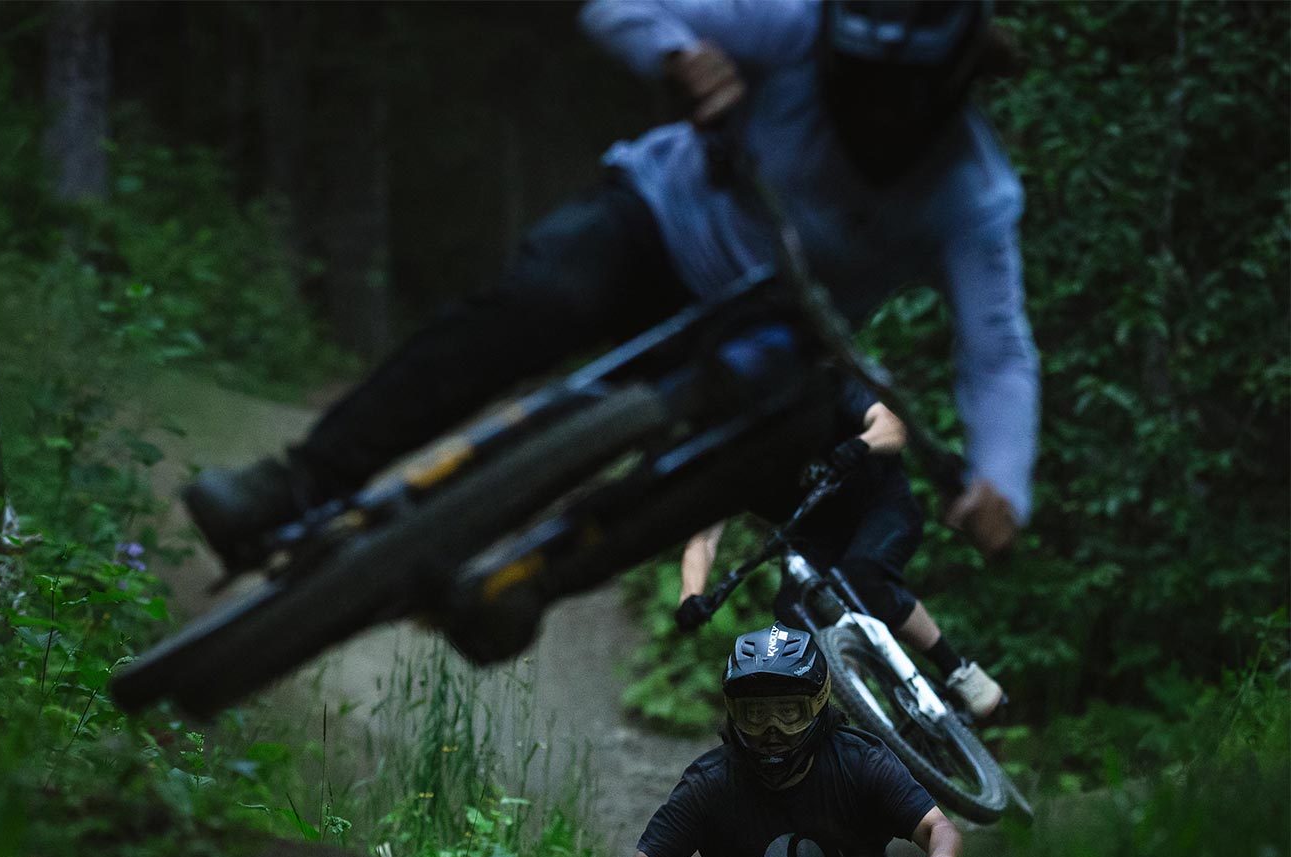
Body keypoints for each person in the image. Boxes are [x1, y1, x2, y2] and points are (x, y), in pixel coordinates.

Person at [184, 0, 1038, 578]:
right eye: (858, 86)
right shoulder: (792, 22)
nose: (877, 115)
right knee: (535, 302)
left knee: (757, 443)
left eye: (907, 99)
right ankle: (296, 484)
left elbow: (995, 352)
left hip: (772, 325)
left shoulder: (973, 192)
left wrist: (1000, 480)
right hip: (657, 223)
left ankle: (532, 582)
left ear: (959, 82)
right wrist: (678, 53)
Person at [675, 381, 1006, 717]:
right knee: (792, 614)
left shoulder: (815, 385)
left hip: (879, 505)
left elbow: (892, 425)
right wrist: (691, 598)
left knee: (863, 574)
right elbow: (702, 539)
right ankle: (864, 713)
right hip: (813, 536)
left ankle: (957, 670)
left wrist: (863, 444)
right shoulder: (730, 461)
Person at [616, 623, 962, 857]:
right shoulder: (711, 781)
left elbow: (938, 828)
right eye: (755, 714)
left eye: (788, 712)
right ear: (733, 714)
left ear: (818, 705)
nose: (772, 730)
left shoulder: (862, 762)